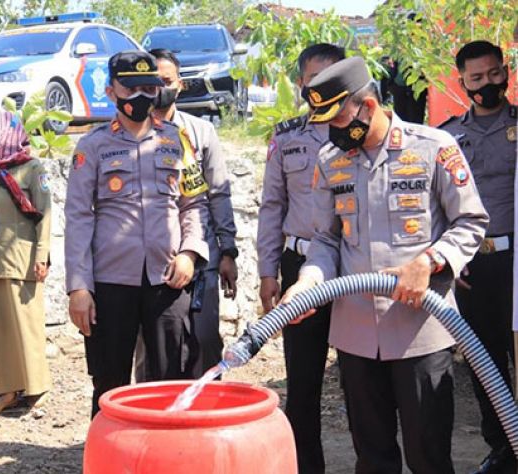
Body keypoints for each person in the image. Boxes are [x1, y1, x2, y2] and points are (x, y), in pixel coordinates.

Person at [283, 56, 489, 473]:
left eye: (337, 118)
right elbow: (325, 239)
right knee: (372, 457)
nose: (330, 130)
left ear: (368, 107)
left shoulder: (433, 147)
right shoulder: (329, 161)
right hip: (356, 334)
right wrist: (308, 281)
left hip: (420, 331)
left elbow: (471, 221)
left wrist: (429, 262)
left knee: (428, 456)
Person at [64, 50, 210, 417]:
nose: (141, 97)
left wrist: (190, 253)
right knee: (109, 384)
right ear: (111, 92)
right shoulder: (92, 146)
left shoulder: (178, 141)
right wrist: (79, 287)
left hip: (168, 279)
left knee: (168, 381)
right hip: (111, 282)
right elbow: (79, 217)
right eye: (131, 89)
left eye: (148, 88)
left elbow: (193, 204)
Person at [257, 43, 345, 474]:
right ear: (301, 84)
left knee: (366, 381)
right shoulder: (287, 136)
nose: (324, 88)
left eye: (333, 78)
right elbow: (272, 206)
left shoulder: (361, 130)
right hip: (300, 271)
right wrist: (267, 272)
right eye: (314, 80)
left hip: (358, 271)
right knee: (304, 381)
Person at [133, 48, 237, 380]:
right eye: (154, 82)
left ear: (180, 84)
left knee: (203, 341)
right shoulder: (131, 133)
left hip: (202, 256)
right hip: (152, 261)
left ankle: (205, 414)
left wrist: (228, 250)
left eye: (166, 81)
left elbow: (217, 192)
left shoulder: (200, 133)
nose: (160, 89)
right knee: (153, 351)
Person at [439, 40, 517, 474]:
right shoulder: (448, 137)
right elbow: (438, 206)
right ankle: (503, 447)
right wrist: (451, 258)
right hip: (473, 267)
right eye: (477, 79)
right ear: (463, 82)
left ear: (505, 72)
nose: (488, 84)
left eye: (494, 74)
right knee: (484, 361)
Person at [0, 109, 52, 416]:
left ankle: (37, 387)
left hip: (23, 258)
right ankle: (7, 390)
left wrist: (42, 254)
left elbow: (45, 214)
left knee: (27, 325)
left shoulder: (31, 168)